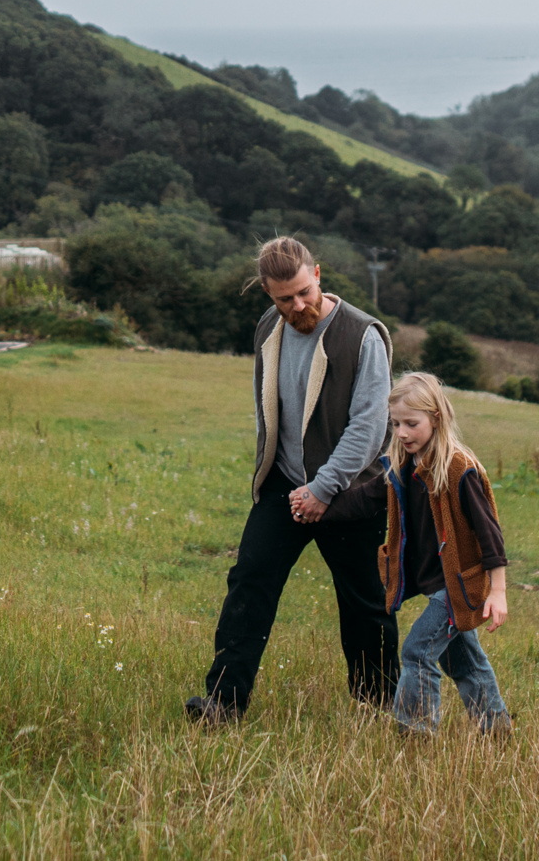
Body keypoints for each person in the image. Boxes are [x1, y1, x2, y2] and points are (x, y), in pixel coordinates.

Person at [188, 237, 398, 725]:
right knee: (249, 583)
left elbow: (370, 426)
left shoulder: (363, 334)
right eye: (285, 298)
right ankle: (223, 702)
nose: (298, 305)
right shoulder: (269, 327)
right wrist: (290, 484)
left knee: (366, 603)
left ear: (318, 274)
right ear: (268, 294)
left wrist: (322, 490)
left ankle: (379, 708)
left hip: (351, 494)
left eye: (304, 292)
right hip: (284, 487)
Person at [376, 372, 512, 736]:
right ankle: (496, 731)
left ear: (436, 418)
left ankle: (415, 734)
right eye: (395, 424)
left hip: (457, 586)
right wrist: (321, 502)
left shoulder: (458, 469)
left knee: (417, 652)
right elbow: (368, 498)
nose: (402, 432)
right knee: (464, 661)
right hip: (439, 584)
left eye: (411, 423)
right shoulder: (405, 465)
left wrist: (497, 592)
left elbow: (490, 535)